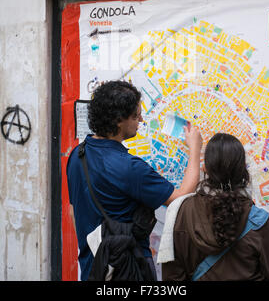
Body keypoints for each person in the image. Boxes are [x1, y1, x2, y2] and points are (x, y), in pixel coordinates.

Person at [67, 80, 202, 281]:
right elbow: (180, 198)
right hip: (128, 270)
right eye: (135, 115)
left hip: (92, 269)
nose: (141, 119)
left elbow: (73, 211)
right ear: (119, 120)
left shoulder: (77, 155)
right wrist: (195, 149)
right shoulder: (129, 167)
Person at [159, 132, 269, 281]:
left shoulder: (180, 212)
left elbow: (172, 277)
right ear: (242, 168)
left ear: (205, 168)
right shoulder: (261, 223)